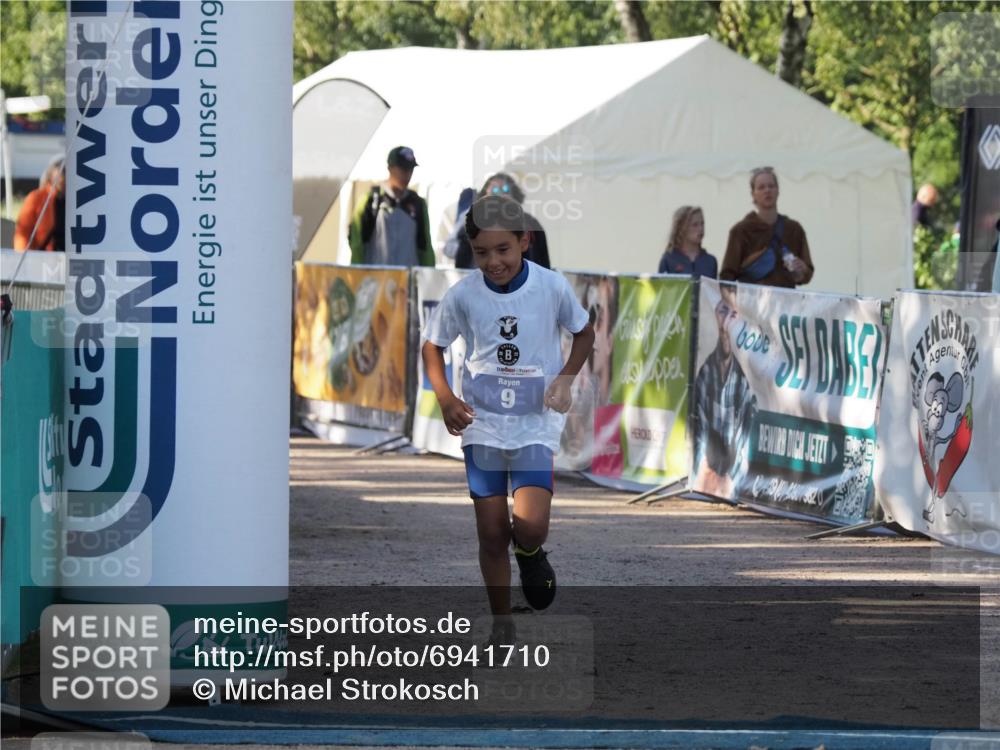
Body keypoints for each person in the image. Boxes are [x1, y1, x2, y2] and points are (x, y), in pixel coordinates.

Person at [421, 195, 594, 645]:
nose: (493, 262)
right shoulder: (463, 295)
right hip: (483, 423)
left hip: (535, 420)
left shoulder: (551, 287)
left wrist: (564, 379)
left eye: (503, 250)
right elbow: (432, 345)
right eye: (482, 253)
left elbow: (583, 331)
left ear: (525, 242)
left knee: (530, 524)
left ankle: (531, 551)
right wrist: (445, 397)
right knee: (492, 531)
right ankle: (502, 623)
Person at [692, 284, 756, 499]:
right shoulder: (706, 372)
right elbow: (698, 432)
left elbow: (746, 441)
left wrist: (733, 479)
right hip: (708, 476)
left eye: (734, 314)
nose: (727, 321)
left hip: (731, 481)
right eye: (722, 311)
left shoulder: (745, 380)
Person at [720, 166, 813, 288]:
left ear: (778, 190)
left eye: (771, 186)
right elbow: (727, 276)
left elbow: (807, 273)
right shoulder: (741, 231)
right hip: (753, 302)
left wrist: (803, 270)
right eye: (761, 187)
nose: (767, 190)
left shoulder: (794, 229)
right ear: (753, 194)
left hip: (786, 302)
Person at [349, 146, 434, 267]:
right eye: (403, 169)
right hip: (376, 281)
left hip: (406, 283)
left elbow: (425, 247)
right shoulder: (370, 200)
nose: (407, 174)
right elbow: (357, 244)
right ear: (390, 168)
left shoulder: (418, 204)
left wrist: (427, 278)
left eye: (410, 169)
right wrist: (358, 277)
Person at [454, 173, 550, 270]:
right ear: (484, 196)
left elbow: (543, 259)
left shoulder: (531, 223)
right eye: (494, 191)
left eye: (505, 190)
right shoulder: (473, 220)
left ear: (514, 195)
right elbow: (459, 257)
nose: (500, 194)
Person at [14, 157, 65, 252]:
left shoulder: (79, 201)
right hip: (42, 256)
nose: (64, 176)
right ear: (51, 174)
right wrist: (25, 260)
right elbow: (23, 233)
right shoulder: (36, 198)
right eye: (62, 170)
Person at [657, 205, 718, 278]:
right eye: (695, 225)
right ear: (682, 228)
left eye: (702, 224)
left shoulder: (710, 261)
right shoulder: (668, 260)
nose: (701, 229)